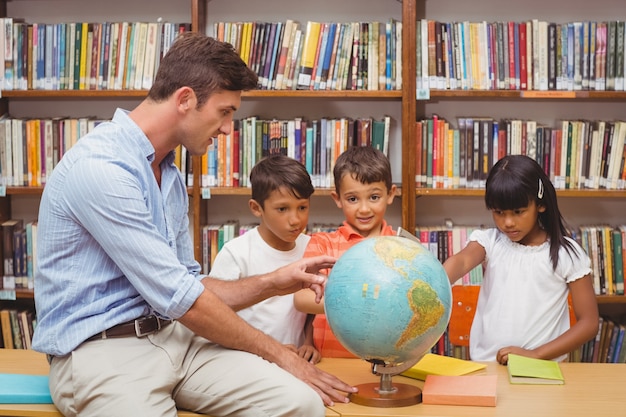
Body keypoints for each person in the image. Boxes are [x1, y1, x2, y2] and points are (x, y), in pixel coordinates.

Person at [31, 32, 356, 417]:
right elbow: (182, 299)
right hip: (102, 352)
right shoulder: (102, 169)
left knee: (300, 404)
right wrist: (281, 356)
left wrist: (277, 281)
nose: (228, 129)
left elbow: (189, 285)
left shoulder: (168, 172)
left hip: (175, 338)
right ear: (185, 99)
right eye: (224, 112)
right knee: (292, 378)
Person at [443, 154, 599, 364]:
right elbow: (461, 262)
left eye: (518, 212)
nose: (507, 222)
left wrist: (535, 354)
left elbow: (589, 323)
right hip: (487, 367)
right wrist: (435, 280)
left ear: (540, 205)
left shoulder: (566, 253)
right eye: (498, 212)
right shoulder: (489, 241)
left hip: (541, 369)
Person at [208, 154, 321, 364]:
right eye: (282, 209)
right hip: (248, 362)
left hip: (298, 362)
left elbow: (313, 308)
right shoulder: (236, 253)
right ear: (256, 208)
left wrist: (309, 342)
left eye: (302, 207)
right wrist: (268, 349)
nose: (295, 220)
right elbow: (215, 315)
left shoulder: (311, 248)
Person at [294, 146, 397, 357]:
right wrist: (307, 342)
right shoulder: (322, 244)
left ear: (390, 194)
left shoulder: (402, 247)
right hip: (332, 360)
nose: (364, 209)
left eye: (374, 197)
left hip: (387, 359)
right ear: (337, 198)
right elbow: (302, 299)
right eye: (352, 199)